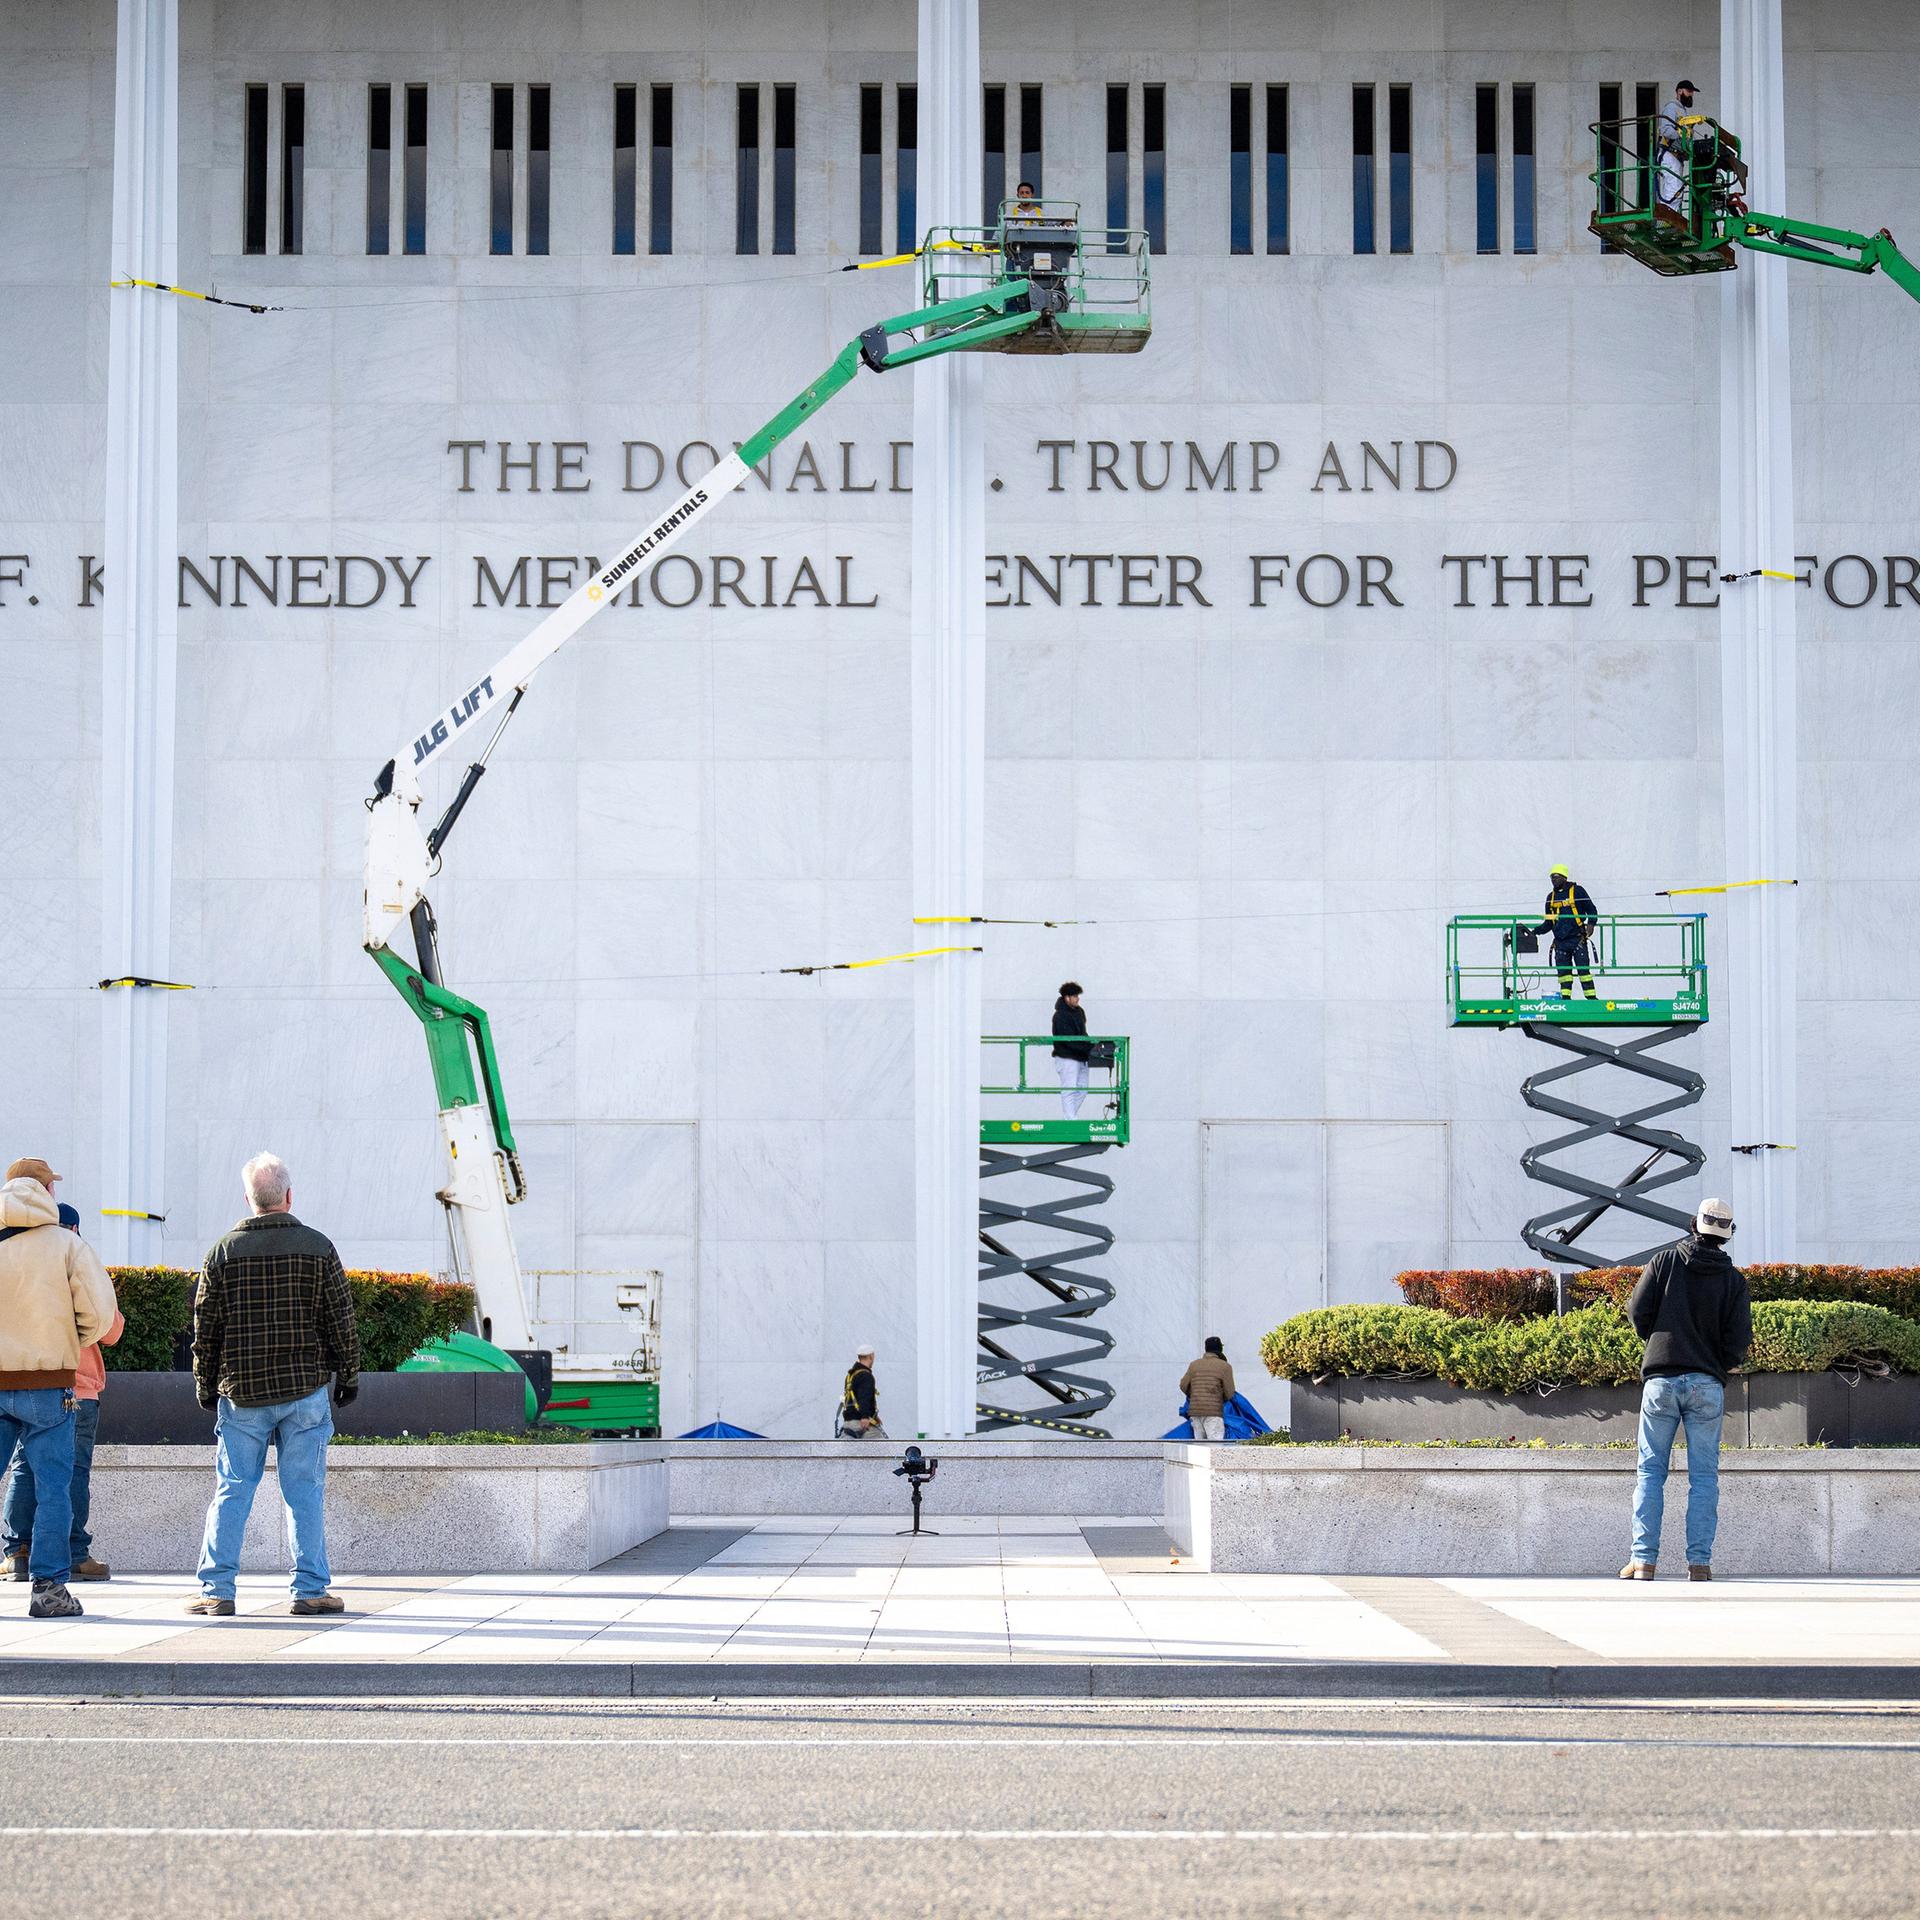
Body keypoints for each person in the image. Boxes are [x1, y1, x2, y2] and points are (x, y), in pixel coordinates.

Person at [189, 1151, 359, 1618]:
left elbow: (206, 1331)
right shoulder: (318, 1247)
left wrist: (206, 1386)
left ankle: (216, 1590)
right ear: (288, 1195)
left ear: (249, 1199)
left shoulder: (222, 1251)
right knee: (304, 1490)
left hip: (241, 1393)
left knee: (232, 1488)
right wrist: (348, 1375)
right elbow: (340, 1320)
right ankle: (309, 1589)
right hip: (304, 1390)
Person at [0, 1157, 118, 1619]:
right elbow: (101, 1315)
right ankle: (48, 1590)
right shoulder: (66, 1245)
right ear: (48, 1193)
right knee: (54, 1488)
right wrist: (71, 1342)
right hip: (50, 1385)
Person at [1620, 1198, 1751, 1582]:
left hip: (1661, 1380)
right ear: (1727, 1235)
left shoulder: (1664, 1262)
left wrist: (1659, 1342)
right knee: (1705, 1477)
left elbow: (1637, 1313)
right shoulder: (1734, 1280)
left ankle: (1643, 1561)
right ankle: (1699, 1563)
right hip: (1706, 1383)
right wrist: (1717, 1361)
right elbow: (1739, 1338)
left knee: (1649, 1473)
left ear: (1694, 1224)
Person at [1532, 864, 1599, 1002]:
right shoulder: (1551, 898)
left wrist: (1591, 924)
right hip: (1560, 942)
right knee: (1564, 974)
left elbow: (1591, 910)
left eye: (1556, 877)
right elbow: (1548, 923)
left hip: (1577, 940)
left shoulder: (1577, 891)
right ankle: (1566, 998)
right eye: (1551, 877)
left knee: (1583, 971)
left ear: (1564, 877)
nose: (1553, 880)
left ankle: (1591, 998)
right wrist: (1534, 932)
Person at [1180, 1337, 1236, 1443]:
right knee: (1215, 1446)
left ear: (1206, 1349)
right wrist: (1218, 1398)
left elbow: (1183, 1385)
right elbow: (1230, 1392)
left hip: (1195, 1411)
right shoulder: (1225, 1366)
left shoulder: (1194, 1365)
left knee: (1199, 1447)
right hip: (1213, 1412)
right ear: (1220, 1349)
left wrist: (1195, 1395)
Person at [1051, 981, 1092, 1117]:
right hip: (1066, 1057)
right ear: (1066, 997)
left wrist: (1091, 1046)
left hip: (1081, 1057)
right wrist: (1088, 1048)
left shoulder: (1079, 1012)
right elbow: (1068, 1040)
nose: (1077, 998)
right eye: (1074, 996)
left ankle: (1069, 1119)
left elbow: (1082, 1034)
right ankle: (1070, 1121)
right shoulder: (1060, 1016)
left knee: (1083, 1089)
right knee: (1069, 1089)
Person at [838, 1345, 885, 1439]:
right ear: (871, 1356)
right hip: (861, 1424)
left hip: (848, 1424)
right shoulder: (866, 1375)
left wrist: (874, 1417)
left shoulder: (851, 1375)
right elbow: (864, 1397)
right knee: (882, 1449)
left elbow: (852, 1399)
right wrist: (865, 1416)